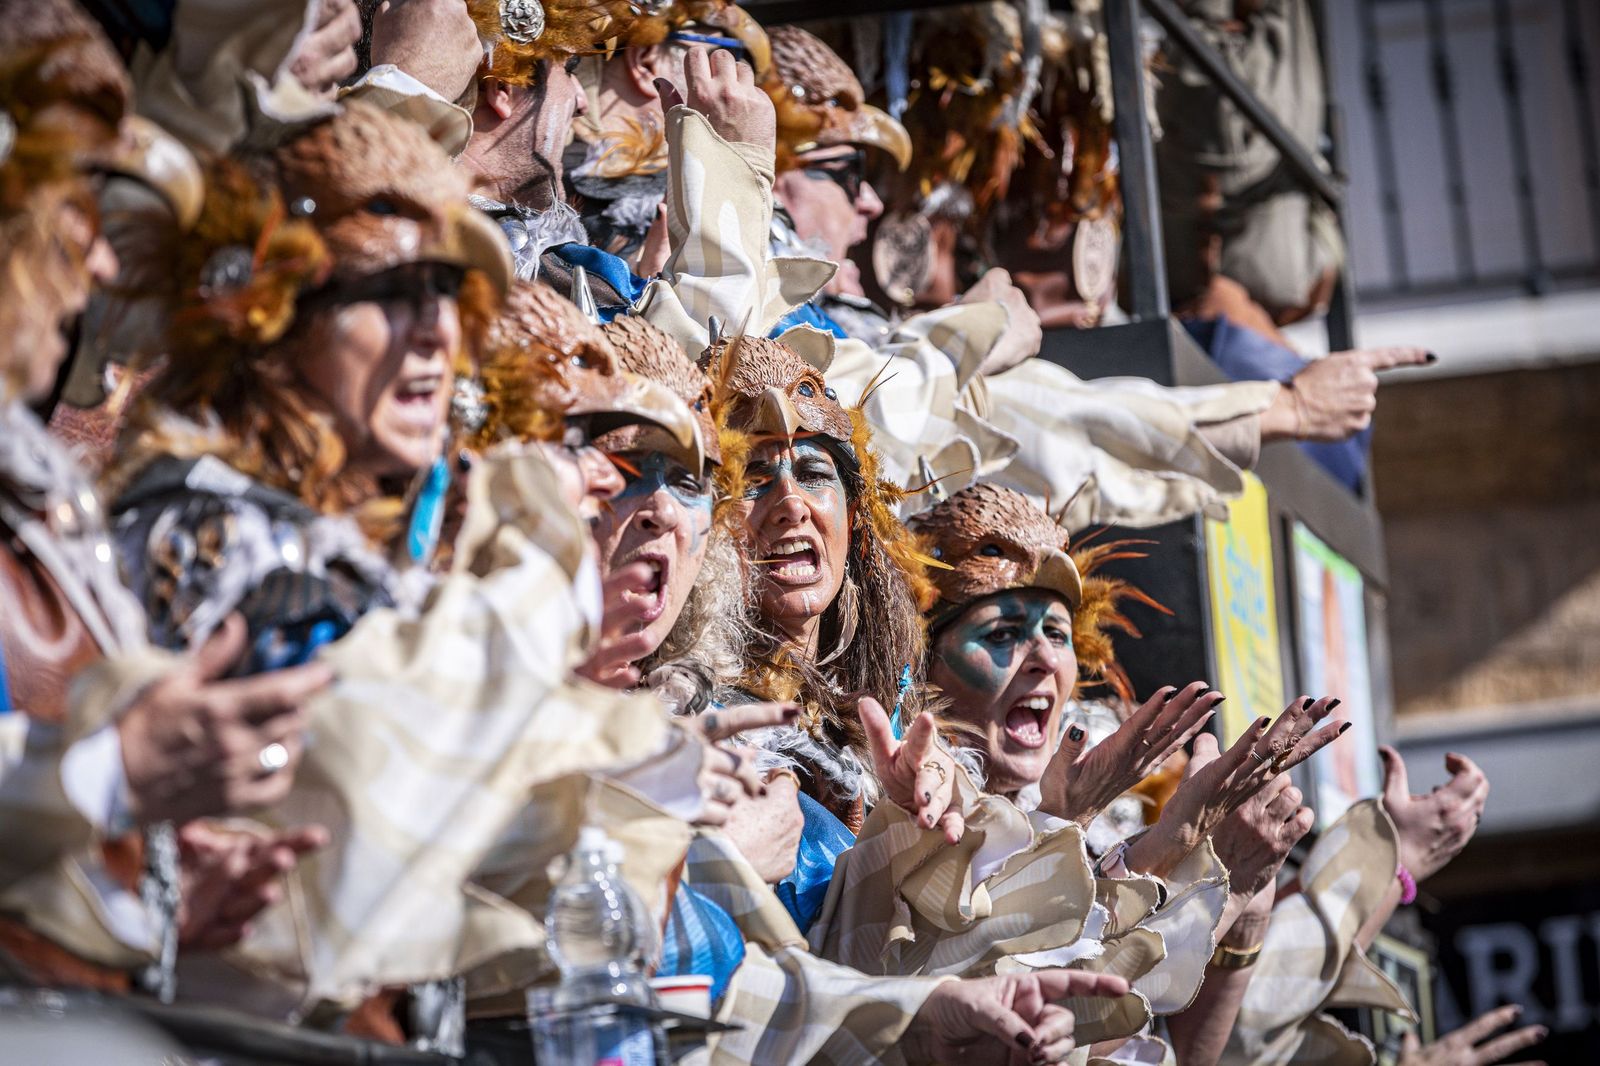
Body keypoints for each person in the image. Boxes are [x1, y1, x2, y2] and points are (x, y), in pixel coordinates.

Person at [0, 0, 335, 995]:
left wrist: (151, 890)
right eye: (80, 206)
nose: (102, 263)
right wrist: (114, 774)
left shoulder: (43, 489)